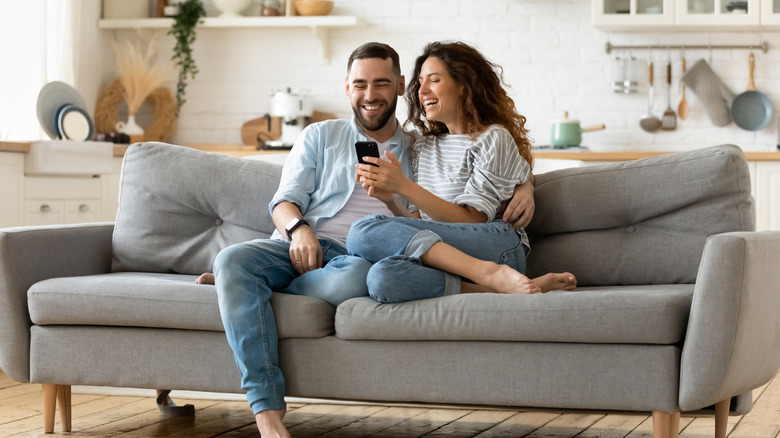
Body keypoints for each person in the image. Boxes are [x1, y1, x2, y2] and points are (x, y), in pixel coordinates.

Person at [209, 41, 537, 437]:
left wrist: (526, 186)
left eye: (381, 83)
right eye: (360, 84)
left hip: (359, 259)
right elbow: (283, 203)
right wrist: (300, 231)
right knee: (231, 260)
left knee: (359, 276)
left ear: (400, 86)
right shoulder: (320, 136)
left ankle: (248, 288)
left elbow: (486, 156)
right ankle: (267, 414)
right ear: (346, 87)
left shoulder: (419, 145)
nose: (370, 95)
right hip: (302, 245)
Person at [347, 41, 576, 303]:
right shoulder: (423, 146)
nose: (421, 90)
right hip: (447, 253)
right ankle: (499, 287)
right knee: (382, 278)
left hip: (495, 246)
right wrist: (390, 199)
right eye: (420, 82)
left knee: (361, 231)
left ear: (464, 86)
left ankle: (489, 272)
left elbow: (473, 220)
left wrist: (404, 186)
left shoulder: (492, 138)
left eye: (433, 80)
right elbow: (422, 227)